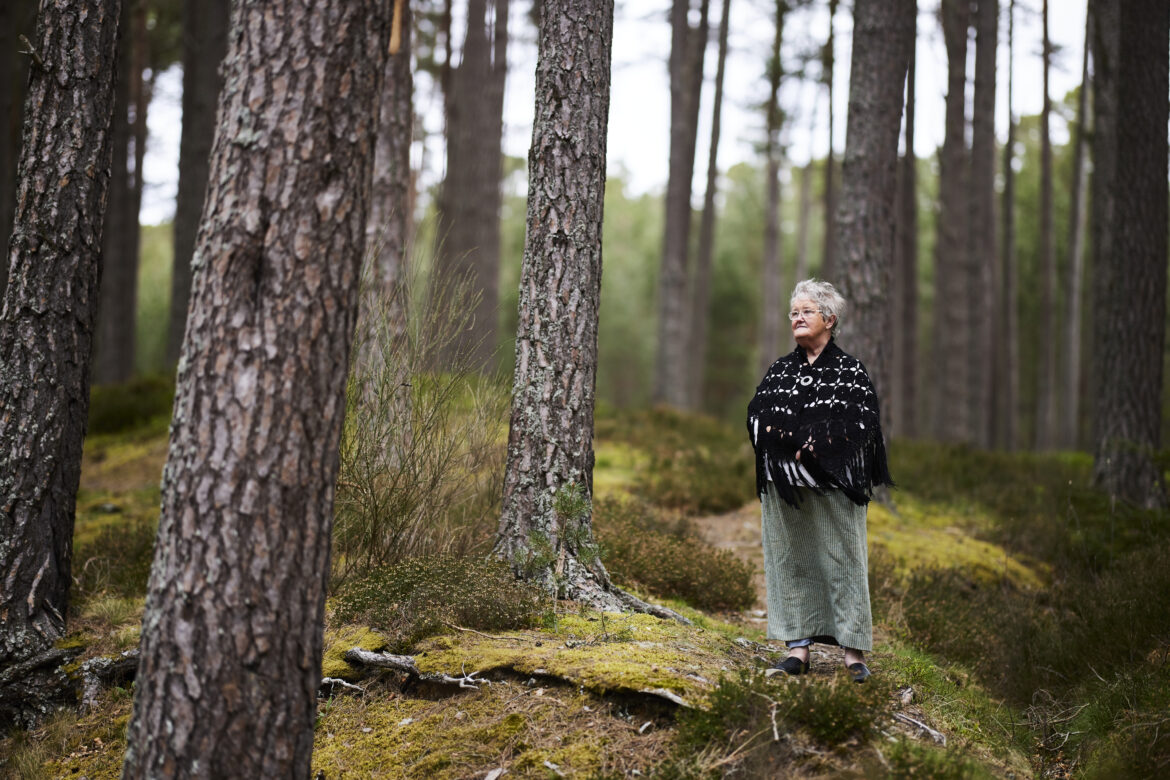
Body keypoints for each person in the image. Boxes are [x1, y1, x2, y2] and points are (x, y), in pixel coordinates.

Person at [746, 279, 893, 682]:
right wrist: (794, 444)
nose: (796, 317)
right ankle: (797, 649)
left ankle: (853, 652)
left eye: (805, 311)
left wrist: (814, 447)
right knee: (790, 560)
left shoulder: (850, 371)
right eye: (793, 312)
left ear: (828, 319)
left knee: (844, 560)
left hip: (835, 482)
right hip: (786, 486)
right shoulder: (779, 370)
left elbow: (861, 423)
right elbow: (758, 415)